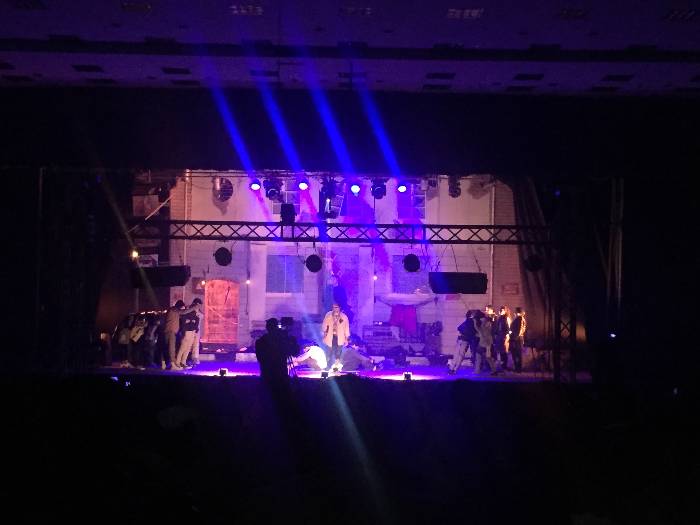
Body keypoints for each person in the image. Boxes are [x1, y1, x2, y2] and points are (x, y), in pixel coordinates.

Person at [255, 317, 293, 384]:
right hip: (281, 374)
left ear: (267, 327)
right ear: (276, 327)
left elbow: (259, 358)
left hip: (267, 374)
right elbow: (293, 351)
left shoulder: (260, 341)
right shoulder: (282, 340)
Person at [164, 300, 195, 370]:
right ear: (179, 306)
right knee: (171, 349)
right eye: (182, 307)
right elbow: (184, 312)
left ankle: (170, 364)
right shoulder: (174, 309)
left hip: (170, 332)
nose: (182, 309)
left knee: (169, 348)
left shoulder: (173, 310)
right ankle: (172, 365)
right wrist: (193, 308)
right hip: (171, 332)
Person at [321, 303, 350, 371]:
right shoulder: (328, 315)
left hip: (340, 338)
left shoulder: (344, 317)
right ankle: (328, 366)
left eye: (336, 307)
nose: (335, 309)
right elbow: (324, 326)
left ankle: (336, 367)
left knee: (338, 353)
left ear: (340, 308)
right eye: (334, 307)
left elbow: (346, 328)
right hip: (330, 337)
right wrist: (324, 335)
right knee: (328, 353)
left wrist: (347, 339)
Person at [175, 298, 202, 369]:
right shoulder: (188, 310)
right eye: (198, 305)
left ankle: (183, 362)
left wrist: (194, 325)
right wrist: (184, 330)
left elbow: (197, 320)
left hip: (192, 331)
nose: (198, 307)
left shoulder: (196, 312)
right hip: (187, 331)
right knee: (183, 347)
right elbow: (184, 321)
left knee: (188, 348)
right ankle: (177, 362)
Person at [448, 310, 476, 374]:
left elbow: (459, 328)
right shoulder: (472, 322)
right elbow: (473, 332)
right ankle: (455, 369)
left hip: (461, 339)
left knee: (456, 354)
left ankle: (451, 368)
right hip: (465, 340)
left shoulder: (467, 321)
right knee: (461, 355)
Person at [473, 310, 498, 375]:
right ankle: (494, 370)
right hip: (487, 343)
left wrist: (475, 322)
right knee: (487, 357)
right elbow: (482, 332)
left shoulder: (483, 322)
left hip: (485, 343)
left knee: (481, 356)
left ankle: (477, 371)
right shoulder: (487, 322)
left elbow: (480, 331)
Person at [509, 307, 526, 373]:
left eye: (515, 311)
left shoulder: (520, 319)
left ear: (517, 312)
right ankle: (517, 368)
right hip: (517, 339)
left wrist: (514, 338)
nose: (514, 313)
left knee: (517, 354)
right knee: (517, 354)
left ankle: (518, 369)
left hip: (517, 340)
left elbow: (519, 330)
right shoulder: (519, 319)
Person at [493, 306, 510, 371]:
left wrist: (506, 336)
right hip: (499, 337)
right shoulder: (500, 318)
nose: (501, 311)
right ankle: (502, 365)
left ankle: (504, 366)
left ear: (505, 311)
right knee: (500, 352)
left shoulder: (506, 318)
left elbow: (508, 328)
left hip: (503, 337)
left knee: (503, 352)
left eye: (502, 310)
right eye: (501, 310)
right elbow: (497, 327)